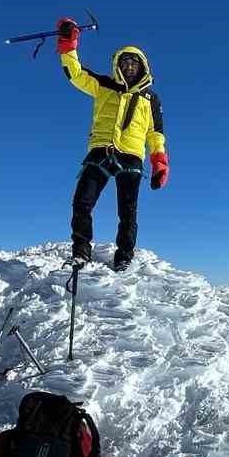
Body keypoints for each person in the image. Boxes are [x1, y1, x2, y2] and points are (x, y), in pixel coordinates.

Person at [56, 18, 169, 271]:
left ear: (142, 66)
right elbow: (75, 73)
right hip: (100, 152)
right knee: (82, 203)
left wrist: (160, 162)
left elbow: (156, 133)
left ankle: (124, 256)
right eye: (124, 62)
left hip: (131, 156)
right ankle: (81, 252)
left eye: (134, 62)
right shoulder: (104, 86)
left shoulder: (151, 98)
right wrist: (68, 43)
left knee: (127, 211)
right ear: (117, 65)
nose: (129, 66)